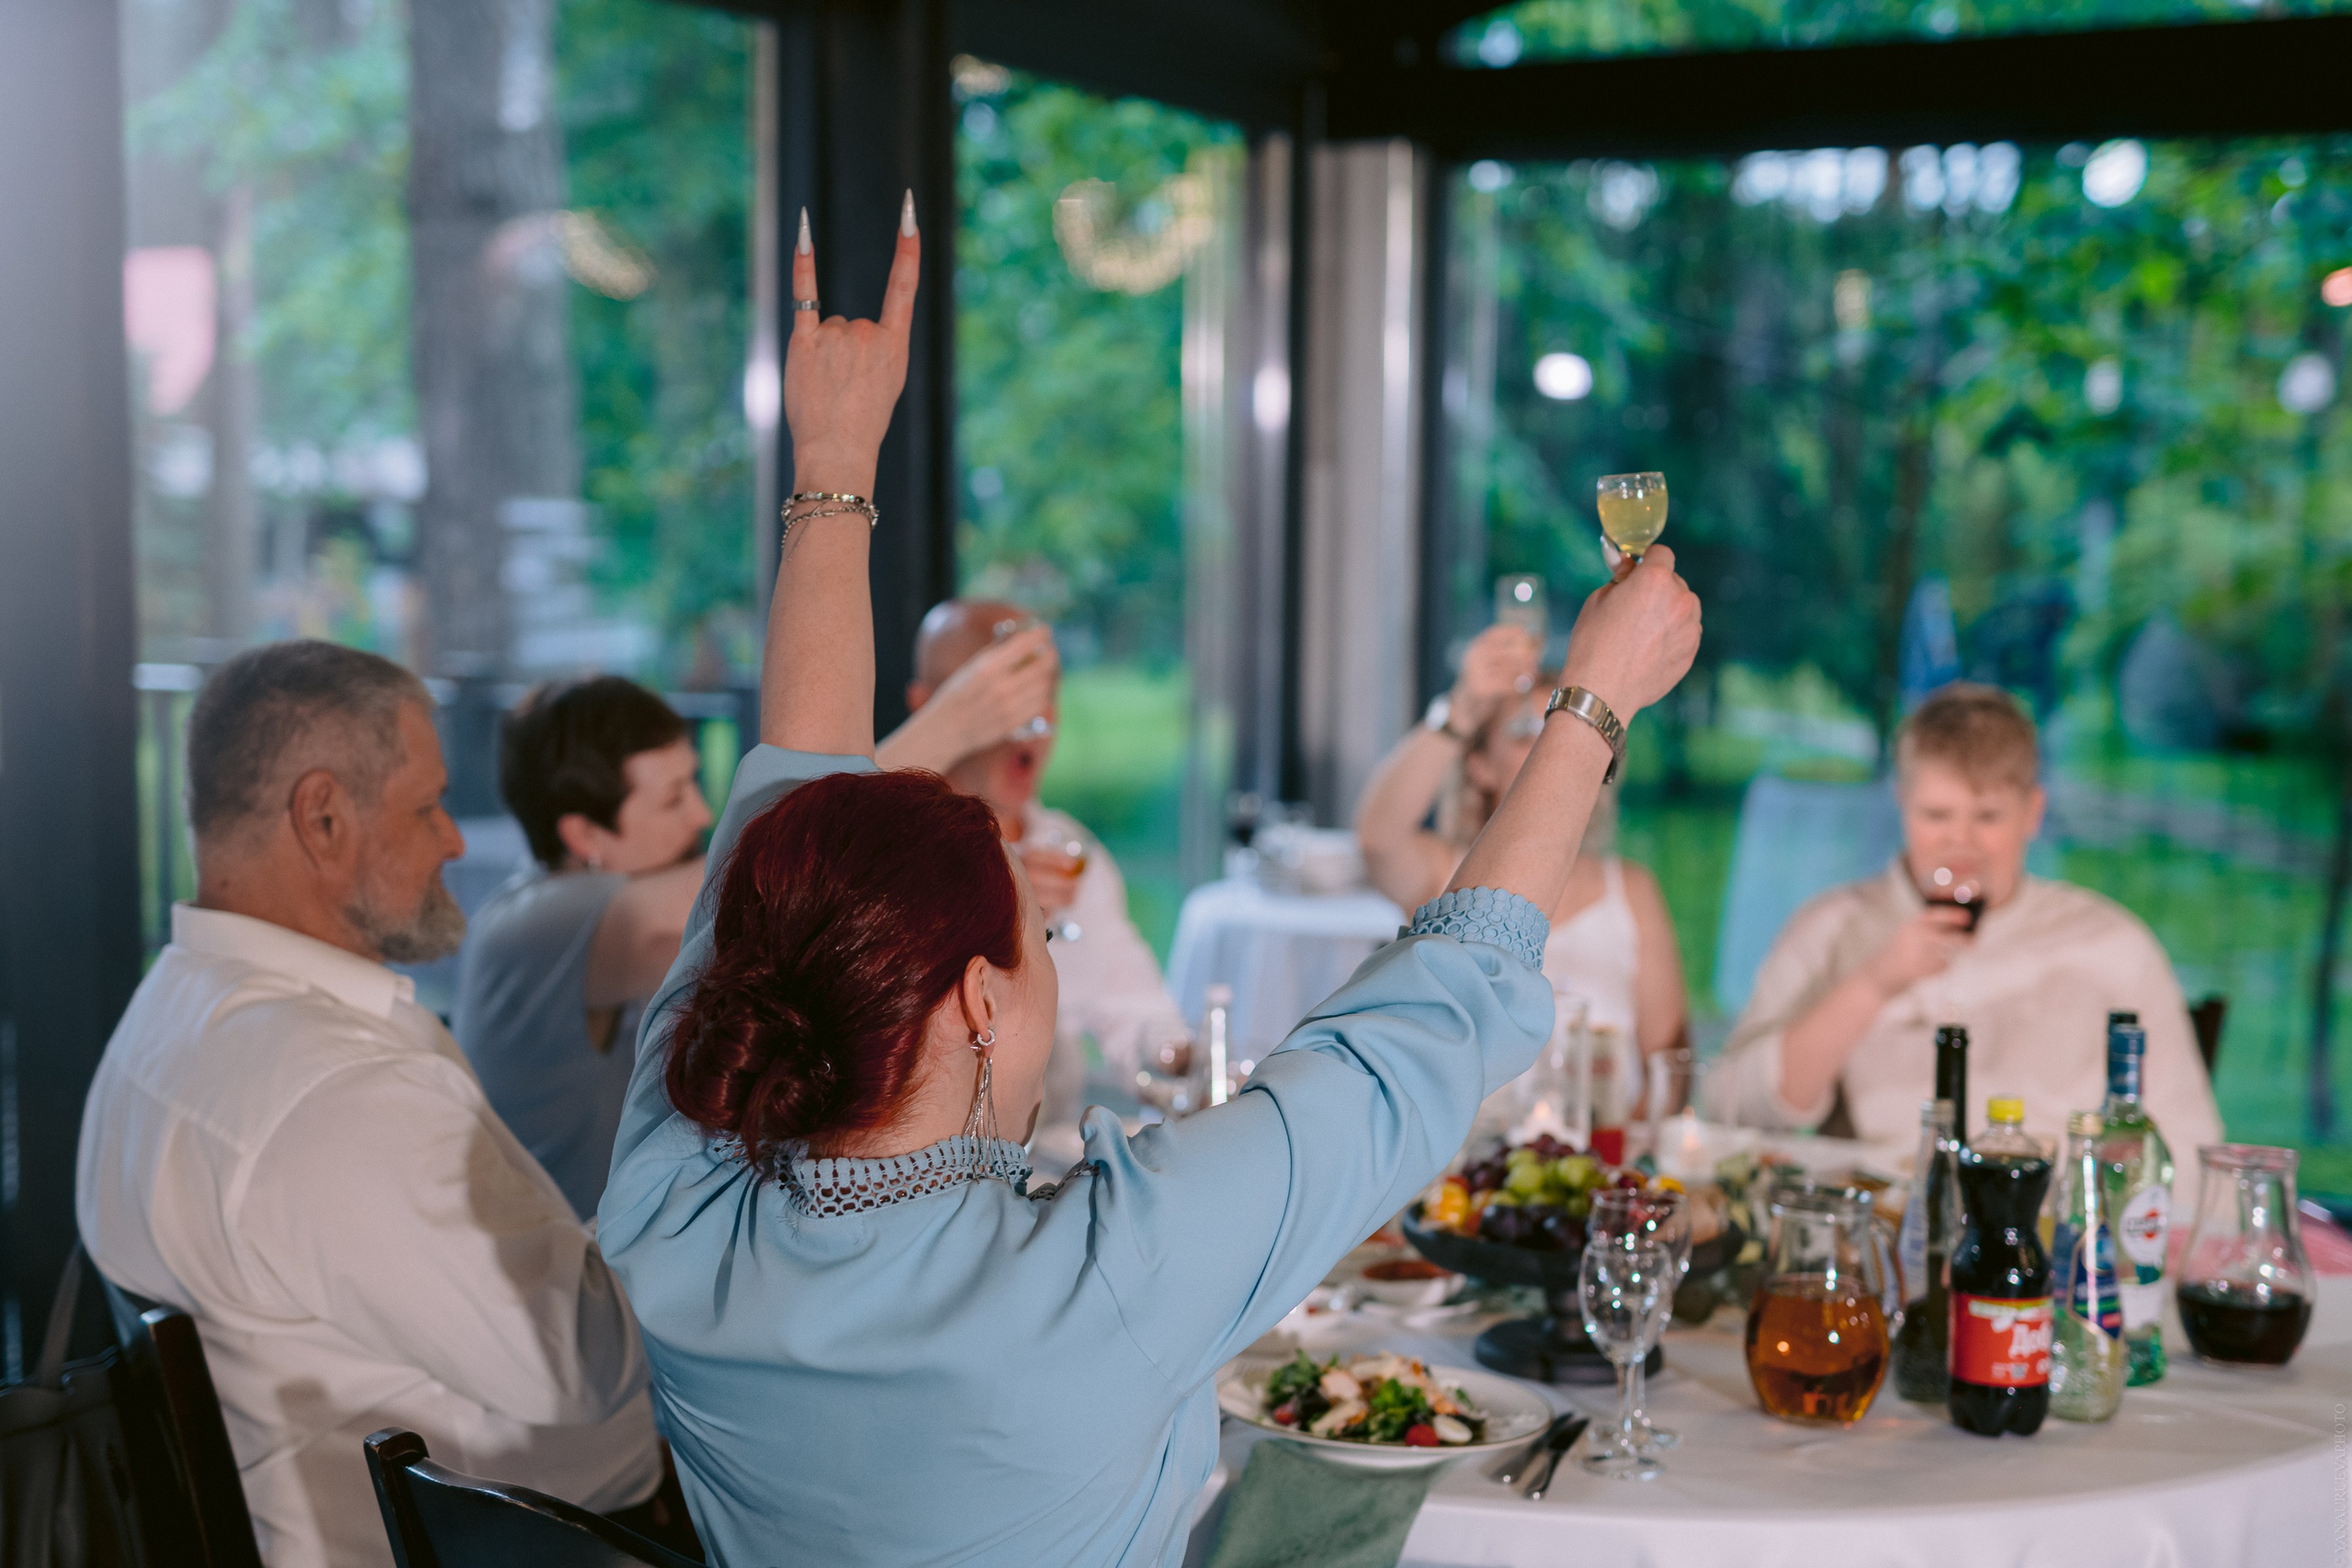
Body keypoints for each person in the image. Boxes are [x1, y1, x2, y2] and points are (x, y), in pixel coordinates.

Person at [594, 199, 1702, 1567]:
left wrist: (834, 459)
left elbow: (783, 805)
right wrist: (1594, 705)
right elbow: (1442, 1001)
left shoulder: (671, 1210)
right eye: (1040, 929)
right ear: (981, 1001)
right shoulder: (1110, 1273)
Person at [76, 641, 668, 1568]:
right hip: (542, 1545)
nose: (456, 839)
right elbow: (585, 1367)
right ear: (321, 817)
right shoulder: (336, 1092)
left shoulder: (169, 1009)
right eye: (428, 806)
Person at [1714, 682, 2225, 1152]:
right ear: (1902, 803)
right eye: (1937, 816)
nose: (1961, 843)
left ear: (2033, 812)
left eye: (1988, 817)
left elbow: (2188, 1142)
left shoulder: (2111, 944)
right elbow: (1728, 1110)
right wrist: (1871, 985)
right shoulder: (1832, 927)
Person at [885, 596, 1188, 1162]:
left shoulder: (1068, 851)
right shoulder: (882, 854)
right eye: (1000, 699)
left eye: (1041, 693)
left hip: (1045, 1168)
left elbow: (1137, 1012)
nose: (1031, 724)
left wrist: (1197, 1069)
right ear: (928, 707)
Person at [1356, 621, 1690, 1111]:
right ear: (1480, 766)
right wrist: (1463, 707)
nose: (1546, 751)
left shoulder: (1633, 891)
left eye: (1556, 732)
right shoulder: (1447, 876)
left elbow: (1669, 1064)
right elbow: (1377, 840)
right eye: (1521, 733)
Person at [455, 677, 713, 1219]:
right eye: (673, 799)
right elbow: (761, 869)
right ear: (584, 835)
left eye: (693, 783)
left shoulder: (587, 921)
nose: (702, 815)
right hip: (561, 1289)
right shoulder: (537, 923)